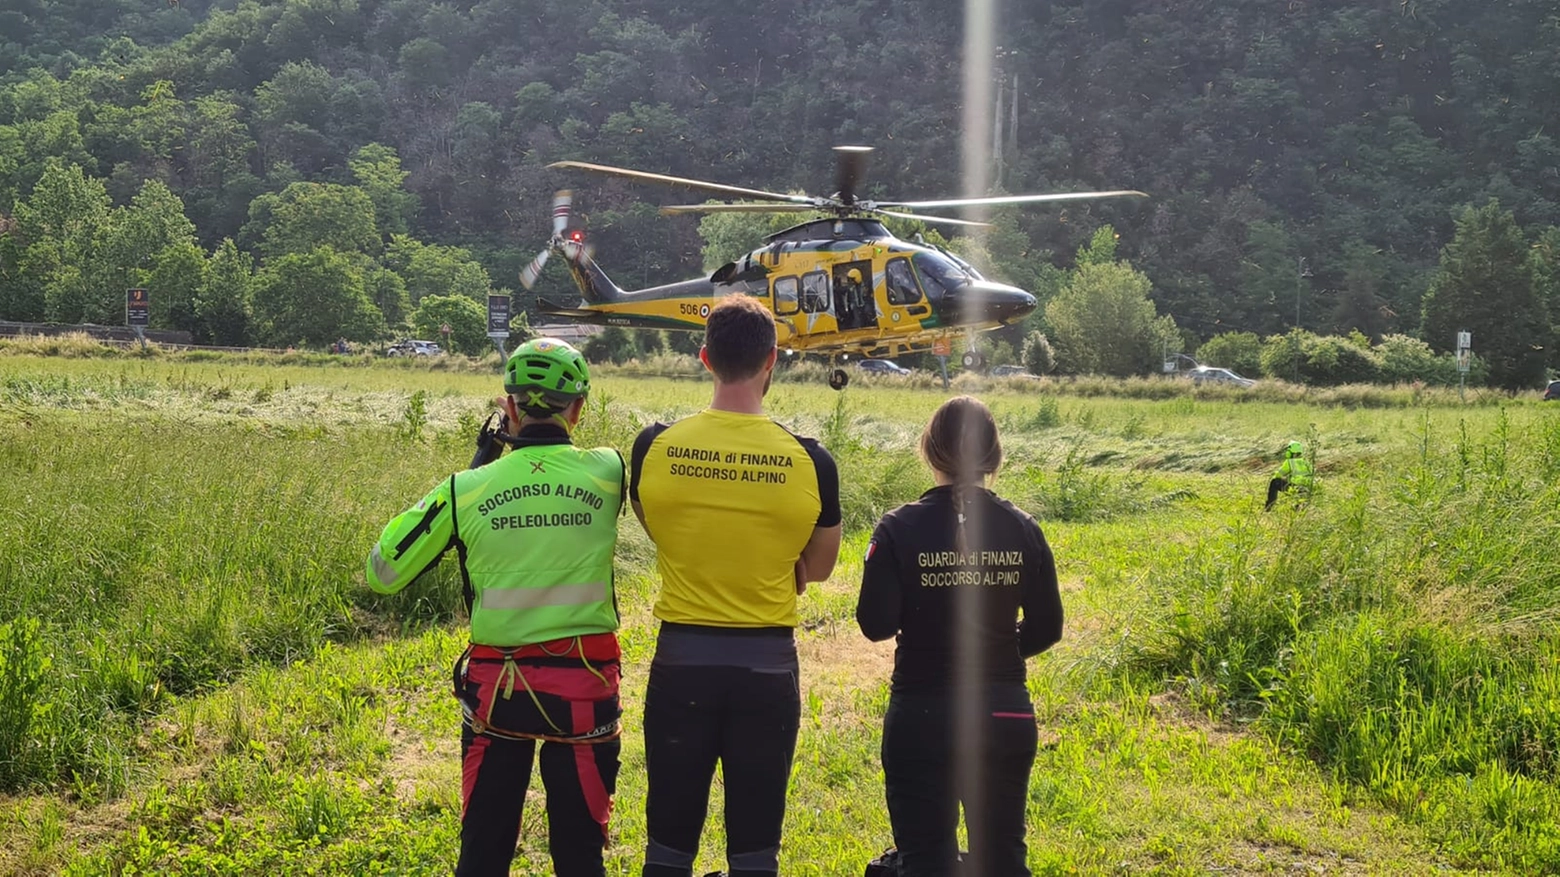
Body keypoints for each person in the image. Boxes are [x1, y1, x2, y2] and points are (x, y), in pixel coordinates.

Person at [365, 338, 626, 877]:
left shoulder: (467, 489)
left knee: (482, 854)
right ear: (579, 408)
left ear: (509, 407)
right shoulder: (608, 471)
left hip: (498, 697)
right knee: (580, 856)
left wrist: (475, 467)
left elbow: (383, 571)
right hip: (583, 690)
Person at [630, 295, 843, 877]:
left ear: (705, 358)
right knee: (755, 846)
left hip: (680, 663)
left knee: (668, 842)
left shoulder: (653, 447)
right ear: (771, 360)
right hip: (767, 670)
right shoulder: (811, 460)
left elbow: (661, 531)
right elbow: (819, 568)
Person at [856, 395, 1064, 877]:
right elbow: (1048, 628)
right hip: (1005, 710)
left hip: (924, 712)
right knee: (1003, 857)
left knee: (927, 861)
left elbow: (876, 625)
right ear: (994, 456)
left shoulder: (897, 528)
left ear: (928, 451)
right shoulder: (1023, 528)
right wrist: (998, 649)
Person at [1265, 440, 1315, 510]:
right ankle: (1299, 507)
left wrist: (1277, 476)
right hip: (1308, 489)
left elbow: (1278, 475)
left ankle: (1269, 507)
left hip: (1296, 489)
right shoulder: (1307, 462)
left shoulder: (1290, 462)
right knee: (1300, 503)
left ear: (1290, 452)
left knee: (1274, 482)